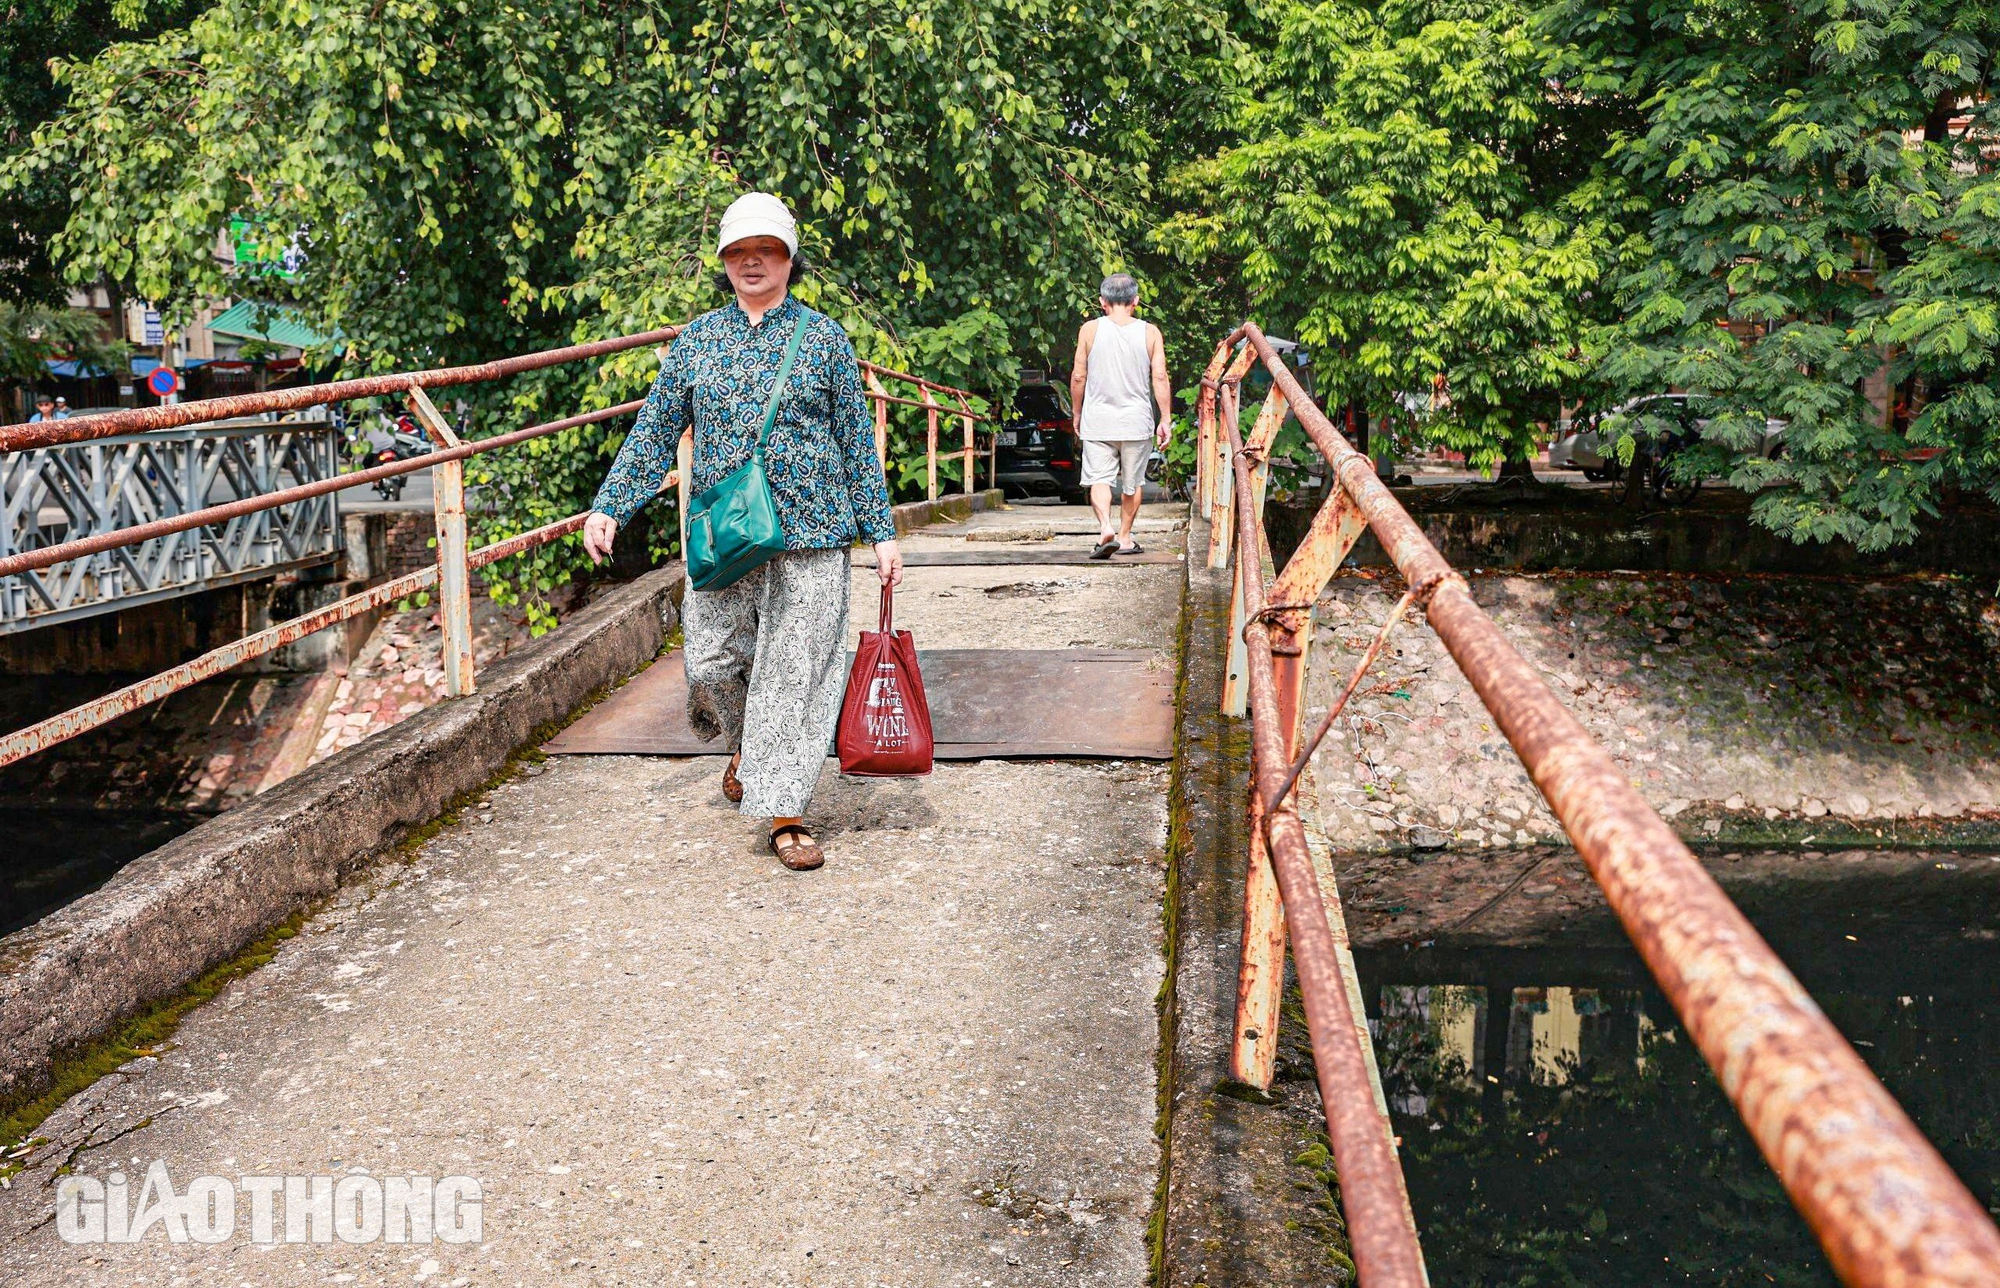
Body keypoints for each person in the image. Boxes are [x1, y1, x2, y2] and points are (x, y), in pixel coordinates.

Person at [581, 191, 903, 872]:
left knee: (795, 675)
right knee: (711, 661)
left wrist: (882, 533)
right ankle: (747, 742)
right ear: (724, 260)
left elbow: (854, 440)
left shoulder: (823, 339)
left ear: (789, 258)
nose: (752, 262)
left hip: (813, 530)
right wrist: (612, 504)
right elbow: (655, 430)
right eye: (739, 251)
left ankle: (785, 813)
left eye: (766, 250)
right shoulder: (699, 339)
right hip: (723, 535)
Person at [1068, 273, 1171, 559]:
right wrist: (1165, 419)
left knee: (1099, 479)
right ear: (1136, 301)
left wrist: (1077, 413)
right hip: (1136, 422)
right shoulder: (1150, 333)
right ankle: (1124, 538)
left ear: (1102, 302)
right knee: (1132, 483)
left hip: (1098, 420)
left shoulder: (1089, 330)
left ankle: (1105, 527)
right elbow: (1160, 377)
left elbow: (1078, 376)